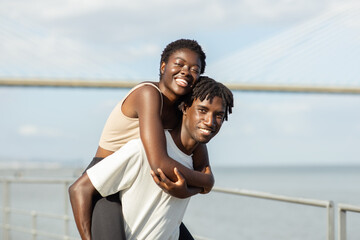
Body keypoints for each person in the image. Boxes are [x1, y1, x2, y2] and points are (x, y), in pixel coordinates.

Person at [77, 39, 213, 240]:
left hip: (138, 181)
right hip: (106, 183)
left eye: (194, 69)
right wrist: (205, 182)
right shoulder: (148, 94)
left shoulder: (182, 110)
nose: (186, 71)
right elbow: (160, 163)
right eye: (179, 64)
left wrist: (193, 187)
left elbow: (202, 166)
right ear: (163, 66)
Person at [69, 76, 234, 240]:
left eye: (219, 115)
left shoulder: (195, 162)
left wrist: (193, 188)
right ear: (185, 108)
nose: (210, 121)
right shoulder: (141, 150)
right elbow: (78, 189)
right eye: (202, 110)